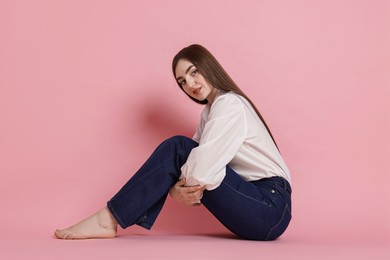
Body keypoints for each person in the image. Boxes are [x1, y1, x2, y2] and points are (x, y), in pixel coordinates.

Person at [54, 44, 292, 241]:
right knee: (183, 151)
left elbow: (199, 170)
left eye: (193, 72)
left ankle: (107, 219)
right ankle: (108, 219)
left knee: (179, 147)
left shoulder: (230, 104)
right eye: (182, 82)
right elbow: (192, 166)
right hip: (257, 209)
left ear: (209, 67)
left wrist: (176, 192)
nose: (190, 84)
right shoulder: (210, 112)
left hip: (269, 206)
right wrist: (176, 188)